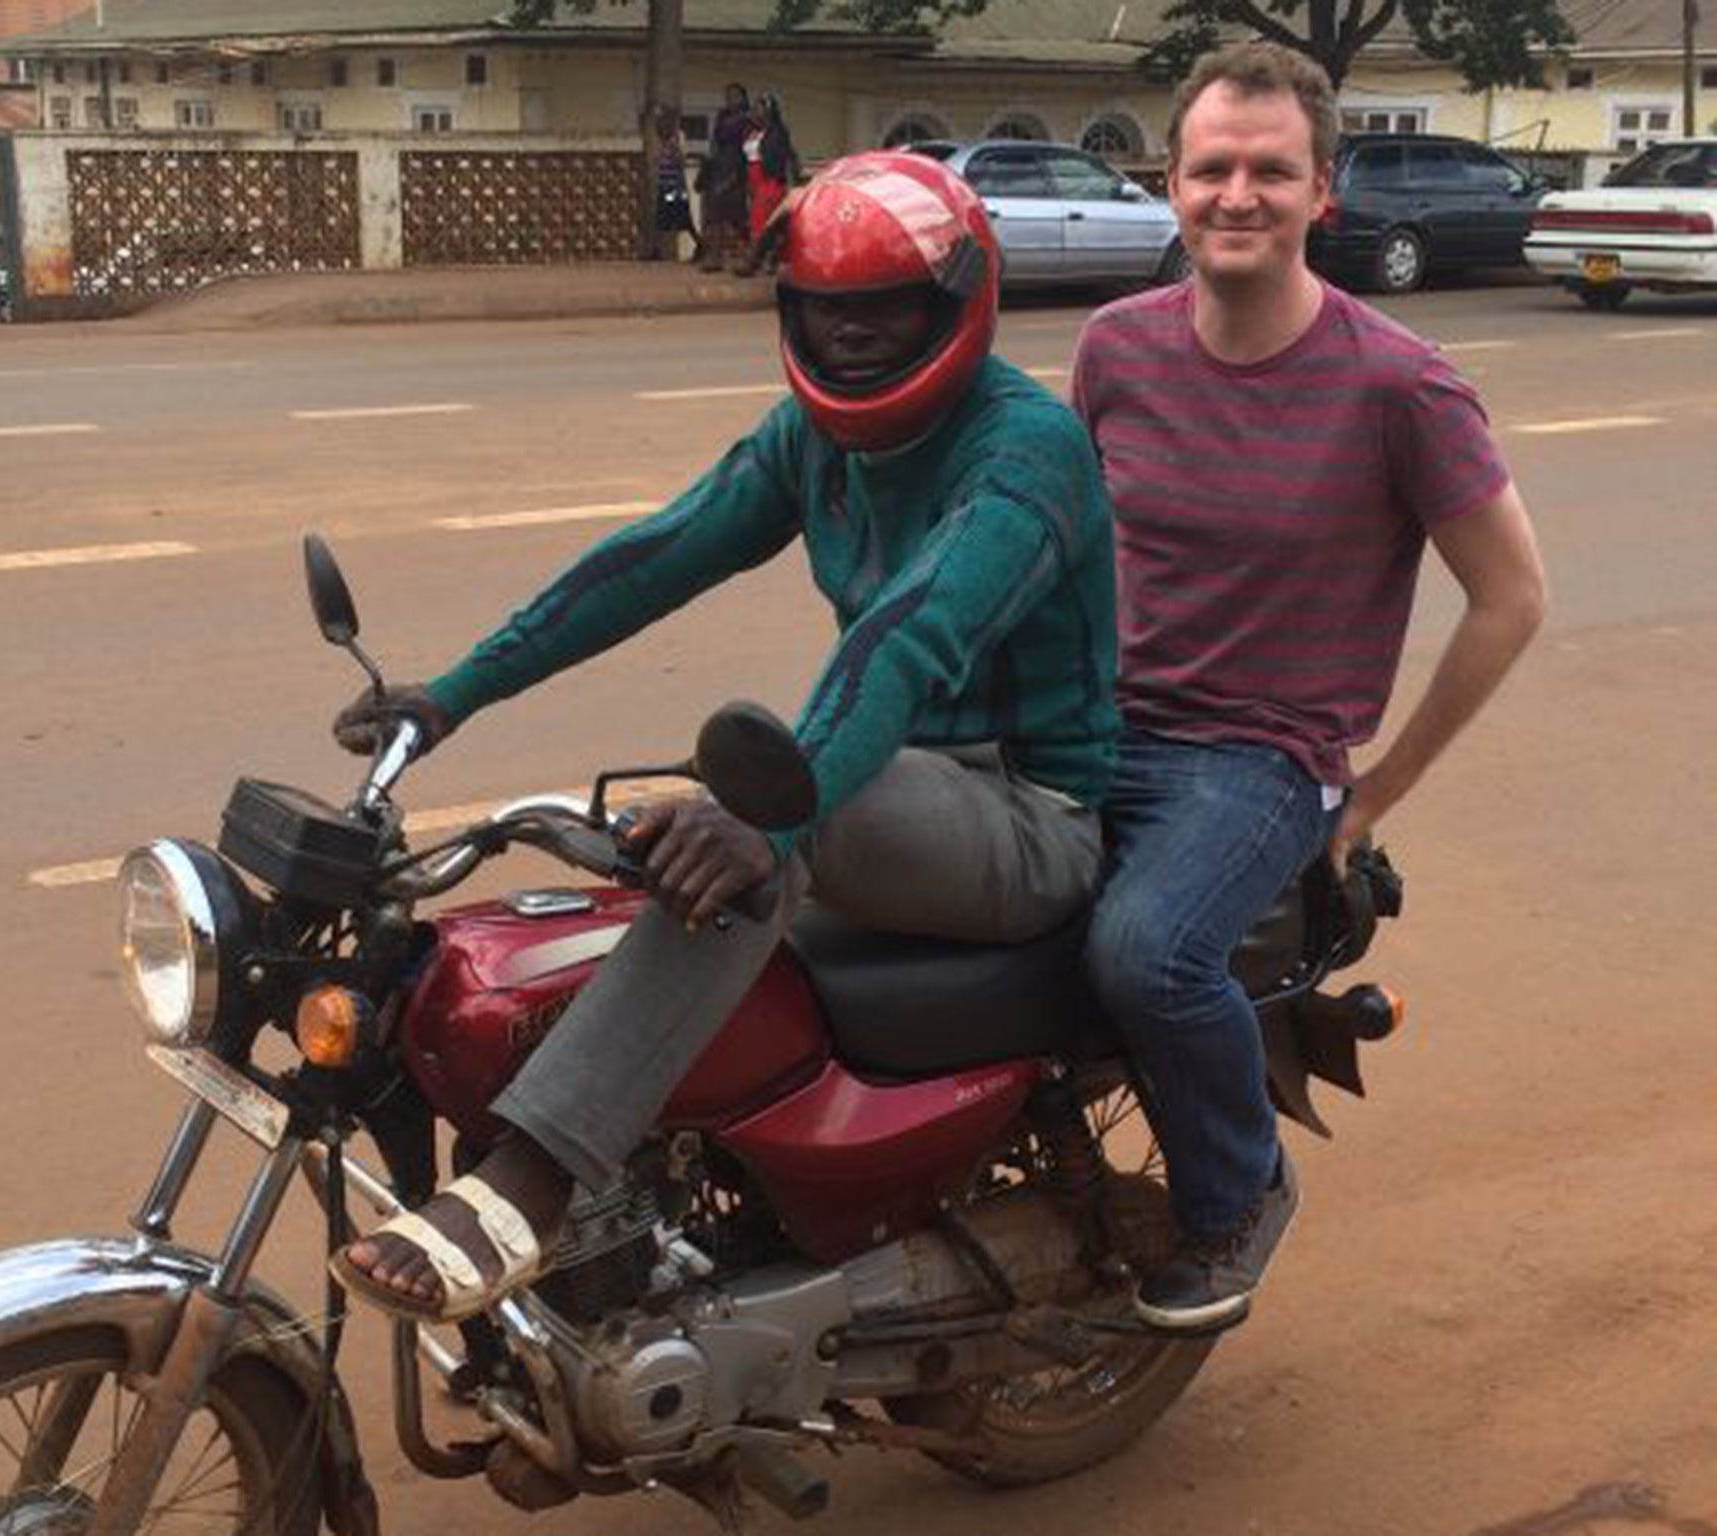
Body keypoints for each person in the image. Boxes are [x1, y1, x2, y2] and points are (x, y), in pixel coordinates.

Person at [332, 151, 1121, 1322]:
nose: (848, 336)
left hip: (1020, 818)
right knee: (659, 833)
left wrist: (778, 811)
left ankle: (536, 1177)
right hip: (893, 786)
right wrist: (448, 695)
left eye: (883, 309)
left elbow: (908, 639)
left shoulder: (1023, 449)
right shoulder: (813, 436)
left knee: (757, 806)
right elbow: (653, 558)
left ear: (955, 303)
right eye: (821, 310)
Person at [1070, 42, 1548, 1334]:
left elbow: (1512, 597)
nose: (1238, 194)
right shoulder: (1115, 349)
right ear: (1168, 182)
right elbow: (1069, 555)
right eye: (1212, 167)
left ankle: (1236, 1191)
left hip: (1261, 758)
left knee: (1146, 952)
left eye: (1270, 170)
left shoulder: (1397, 381)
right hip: (1097, 723)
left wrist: (1373, 791)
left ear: (1321, 192)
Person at [740, 94, 800, 273]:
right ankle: (769, 260)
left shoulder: (777, 131)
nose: (755, 112)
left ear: (769, 110)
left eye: (759, 108)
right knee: (758, 220)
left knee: (761, 221)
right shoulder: (751, 131)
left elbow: (784, 158)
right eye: (754, 108)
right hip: (752, 178)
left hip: (769, 179)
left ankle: (753, 262)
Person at [695, 83, 752, 272]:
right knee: (714, 216)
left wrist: (737, 174)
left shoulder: (747, 119)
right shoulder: (722, 116)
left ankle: (749, 256)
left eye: (735, 96)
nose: (730, 99)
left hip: (737, 167)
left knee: (737, 219)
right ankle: (714, 257)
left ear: (743, 98)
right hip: (719, 167)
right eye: (728, 95)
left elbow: (748, 147)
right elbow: (715, 142)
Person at [651, 105, 694, 261]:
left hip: (675, 187)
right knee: (660, 218)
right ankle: (656, 249)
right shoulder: (661, 140)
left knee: (682, 218)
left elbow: (681, 162)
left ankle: (701, 245)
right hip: (664, 185)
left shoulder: (677, 138)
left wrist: (675, 149)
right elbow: (658, 162)